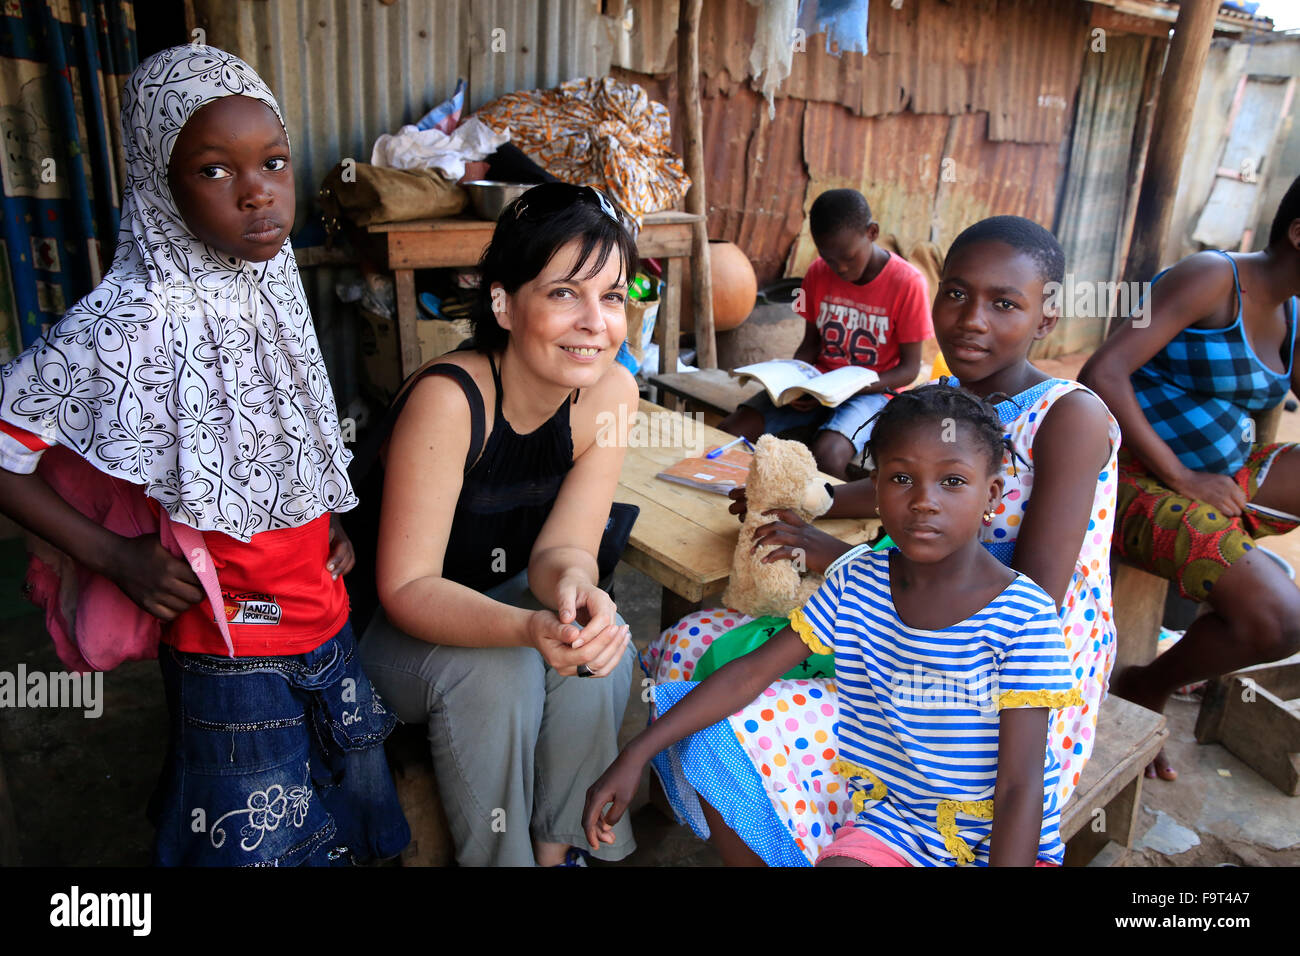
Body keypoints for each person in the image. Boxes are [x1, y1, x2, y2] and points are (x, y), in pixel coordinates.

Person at [0, 45, 408, 865]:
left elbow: (271, 435)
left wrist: (317, 519)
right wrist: (115, 556)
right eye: (214, 171)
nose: (258, 191)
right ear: (159, 182)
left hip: (321, 615)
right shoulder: (133, 318)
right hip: (231, 650)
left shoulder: (272, 279)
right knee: (253, 839)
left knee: (344, 813)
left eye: (274, 162)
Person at [645, 217, 1119, 849]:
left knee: (740, 721)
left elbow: (1031, 594)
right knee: (689, 643)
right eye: (956, 293)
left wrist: (842, 561)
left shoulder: (1068, 418)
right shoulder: (949, 393)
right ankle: (793, 831)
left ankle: (846, 834)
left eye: (1005, 303)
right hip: (908, 624)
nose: (973, 319)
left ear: (1047, 318)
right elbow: (905, 479)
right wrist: (813, 502)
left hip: (994, 687)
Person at [586, 383, 1081, 866]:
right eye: (901, 478)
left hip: (999, 840)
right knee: (705, 733)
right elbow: (751, 673)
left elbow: (1020, 786)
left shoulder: (1024, 617)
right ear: (875, 487)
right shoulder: (859, 582)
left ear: (992, 493)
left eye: (952, 481)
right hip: (896, 826)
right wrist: (637, 750)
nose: (924, 500)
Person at [358, 182, 641, 867]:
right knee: (505, 672)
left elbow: (564, 548)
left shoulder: (613, 393)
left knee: (601, 650)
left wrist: (578, 593)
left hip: (505, 594)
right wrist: (524, 627)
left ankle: (557, 851)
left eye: (612, 296)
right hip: (387, 634)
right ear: (503, 304)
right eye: (564, 293)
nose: (594, 322)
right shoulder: (450, 400)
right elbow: (408, 587)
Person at [1079, 176, 1300, 781]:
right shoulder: (1211, 278)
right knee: (1282, 619)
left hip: (1218, 480)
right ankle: (1146, 683)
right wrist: (1183, 478)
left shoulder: (1293, 314)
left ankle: (1226, 584)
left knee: (1270, 606)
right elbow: (1103, 371)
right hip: (1127, 478)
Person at [718, 188, 932, 479]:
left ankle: (841, 515)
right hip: (819, 386)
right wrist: (796, 383)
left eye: (848, 257)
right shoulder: (818, 273)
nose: (840, 268)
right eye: (829, 258)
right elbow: (810, 344)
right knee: (730, 432)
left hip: (874, 393)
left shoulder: (908, 284)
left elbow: (909, 370)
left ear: (872, 232)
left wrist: (852, 389)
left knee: (827, 456)